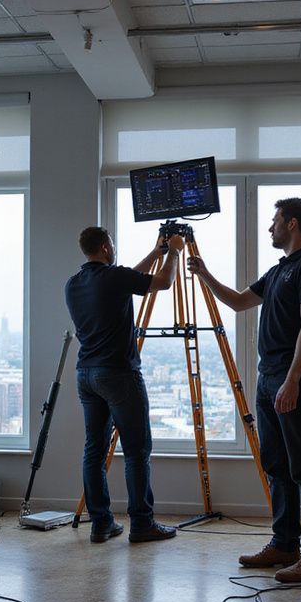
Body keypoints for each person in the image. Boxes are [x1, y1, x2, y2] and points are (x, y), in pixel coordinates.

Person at [187, 198, 301, 583]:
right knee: (277, 465)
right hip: (268, 377)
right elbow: (238, 302)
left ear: (293, 223)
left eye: (275, 221)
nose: (270, 228)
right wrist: (204, 275)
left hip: (291, 377)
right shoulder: (277, 271)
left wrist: (293, 379)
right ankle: (284, 544)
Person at [65, 225, 185, 544]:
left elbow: (125, 279)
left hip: (86, 375)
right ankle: (143, 523)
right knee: (136, 450)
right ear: (106, 247)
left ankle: (101, 523)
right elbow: (164, 281)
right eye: (113, 245)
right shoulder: (115, 279)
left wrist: (154, 253)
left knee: (94, 450)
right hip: (118, 374)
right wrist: (173, 251)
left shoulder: (74, 283)